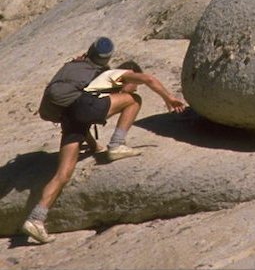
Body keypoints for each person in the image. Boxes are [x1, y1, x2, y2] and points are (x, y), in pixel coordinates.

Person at [22, 38, 186, 245]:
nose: (133, 88)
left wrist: (93, 147)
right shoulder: (115, 75)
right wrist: (168, 98)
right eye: (133, 86)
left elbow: (82, 123)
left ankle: (36, 219)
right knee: (135, 102)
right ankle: (117, 144)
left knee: (63, 174)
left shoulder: (90, 82)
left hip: (71, 117)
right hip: (84, 108)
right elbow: (149, 79)